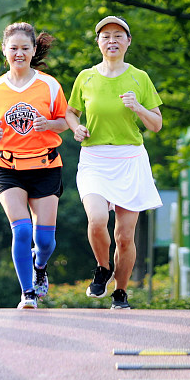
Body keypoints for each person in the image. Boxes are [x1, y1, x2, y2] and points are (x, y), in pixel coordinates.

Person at [64, 15, 163, 309]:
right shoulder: (86, 77)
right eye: (106, 36)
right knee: (96, 220)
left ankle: (120, 292)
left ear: (128, 42)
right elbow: (71, 112)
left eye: (118, 36)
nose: (112, 41)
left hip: (130, 159)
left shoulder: (139, 77)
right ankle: (103, 267)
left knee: (124, 236)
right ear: (98, 42)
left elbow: (156, 124)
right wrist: (75, 128)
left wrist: (139, 107)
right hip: (95, 158)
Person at [0, 22, 69, 309]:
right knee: (23, 231)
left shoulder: (49, 85)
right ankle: (27, 293)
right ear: (4, 50)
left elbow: (65, 121)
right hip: (6, 166)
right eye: (13, 48)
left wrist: (48, 123)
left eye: (25, 48)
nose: (19, 53)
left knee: (45, 240)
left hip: (45, 165)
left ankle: (40, 266)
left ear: (34, 49)